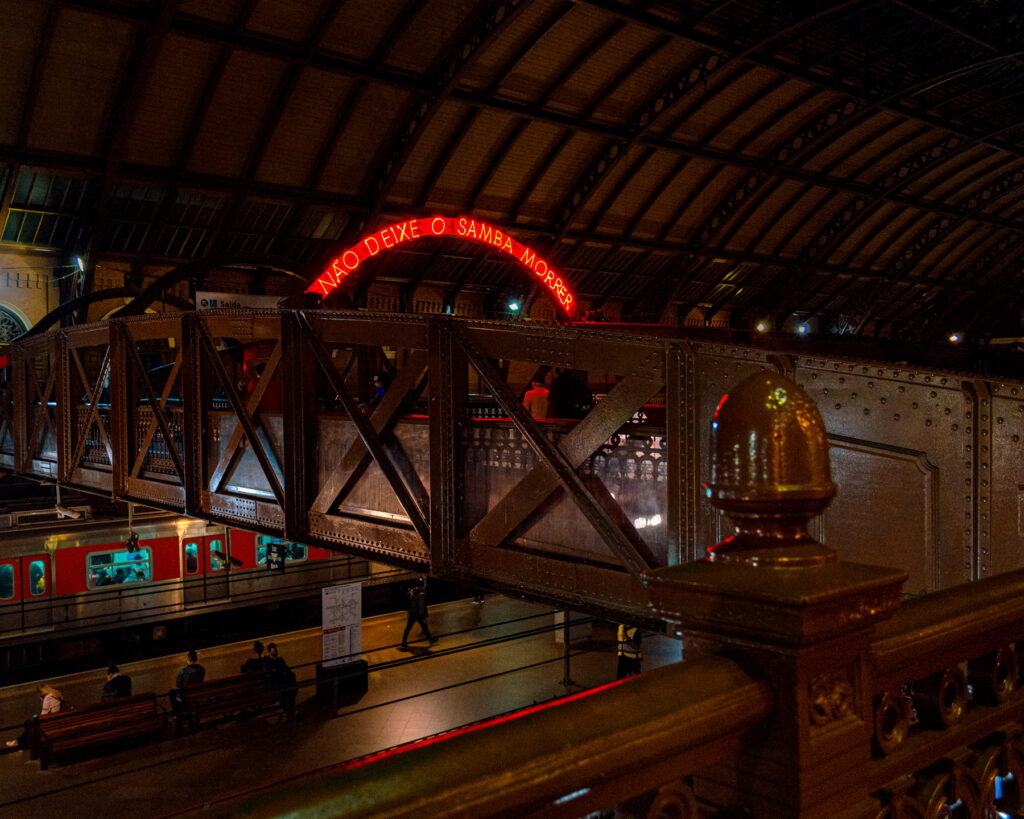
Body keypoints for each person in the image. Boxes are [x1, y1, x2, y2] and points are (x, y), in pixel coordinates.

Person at [6, 685, 63, 750]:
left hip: (50, 723)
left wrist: (37, 718)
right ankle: (18, 742)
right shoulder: (57, 695)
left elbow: (44, 713)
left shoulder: (47, 698)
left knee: (29, 725)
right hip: (56, 719)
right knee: (30, 726)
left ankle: (19, 744)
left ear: (41, 692)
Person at [401, 576, 438, 648]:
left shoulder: (412, 591)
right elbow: (421, 606)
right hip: (417, 614)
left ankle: (403, 643)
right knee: (423, 626)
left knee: (409, 628)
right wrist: (423, 616)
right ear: (421, 585)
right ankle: (430, 639)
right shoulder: (421, 594)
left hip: (412, 612)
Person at [263, 642, 296, 718]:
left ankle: (291, 711)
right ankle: (289, 712)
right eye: (274, 650)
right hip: (278, 684)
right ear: (270, 651)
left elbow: (287, 670)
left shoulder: (280, 660)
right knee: (285, 694)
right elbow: (269, 674)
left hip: (284, 683)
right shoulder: (268, 662)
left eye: (276, 650)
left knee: (290, 692)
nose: (275, 651)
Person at [169, 649, 206, 715]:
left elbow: (178, 684)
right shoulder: (201, 669)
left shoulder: (183, 671)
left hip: (187, 695)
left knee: (172, 693)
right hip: (198, 692)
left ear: (188, 660)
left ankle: (178, 715)